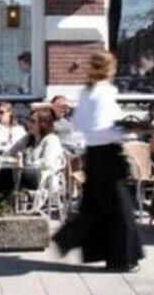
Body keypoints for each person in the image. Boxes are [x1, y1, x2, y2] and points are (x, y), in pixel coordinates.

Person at [52, 51, 143, 273]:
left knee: (96, 207)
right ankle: (121, 259)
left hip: (93, 155)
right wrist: (127, 130)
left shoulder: (85, 92)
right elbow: (103, 128)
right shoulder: (103, 92)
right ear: (110, 68)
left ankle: (70, 239)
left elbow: (80, 124)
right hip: (108, 156)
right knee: (120, 210)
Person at [0, 107, 64, 198]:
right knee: (7, 171)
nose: (29, 124)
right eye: (29, 120)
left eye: (33, 121)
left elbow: (48, 162)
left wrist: (26, 164)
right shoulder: (28, 138)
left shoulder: (51, 139)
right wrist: (6, 159)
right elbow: (10, 152)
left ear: (43, 124)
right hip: (25, 173)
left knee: (10, 173)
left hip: (43, 177)